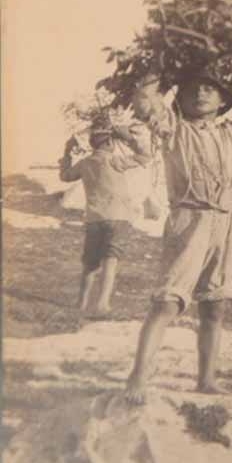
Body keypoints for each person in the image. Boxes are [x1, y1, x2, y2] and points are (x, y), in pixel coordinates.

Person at [124, 36, 232, 405]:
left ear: (224, 101)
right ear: (181, 97)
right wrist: (158, 56)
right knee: (168, 301)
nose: (202, 95)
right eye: (194, 89)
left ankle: (207, 379)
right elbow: (145, 103)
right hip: (190, 219)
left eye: (211, 90)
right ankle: (138, 375)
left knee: (215, 304)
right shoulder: (174, 129)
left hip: (226, 223)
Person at [59, 116, 151, 318]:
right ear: (109, 143)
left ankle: (81, 303)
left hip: (93, 218)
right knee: (111, 260)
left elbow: (65, 176)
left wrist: (67, 152)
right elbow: (145, 157)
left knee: (89, 263)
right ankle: (102, 304)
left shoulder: (85, 164)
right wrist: (128, 138)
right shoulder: (115, 160)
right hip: (118, 217)